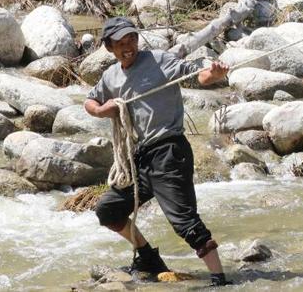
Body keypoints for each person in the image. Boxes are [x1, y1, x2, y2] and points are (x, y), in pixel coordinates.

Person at [84, 17, 233, 286]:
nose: (128, 46)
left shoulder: (158, 60)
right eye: (120, 42)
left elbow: (196, 74)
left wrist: (215, 74)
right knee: (109, 210)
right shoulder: (111, 76)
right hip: (138, 157)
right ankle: (147, 257)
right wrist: (102, 110)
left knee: (184, 221)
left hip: (168, 152)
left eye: (131, 39)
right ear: (109, 47)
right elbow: (91, 101)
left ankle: (220, 280)